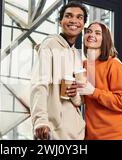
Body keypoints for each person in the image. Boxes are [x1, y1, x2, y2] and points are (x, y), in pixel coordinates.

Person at [30, 2, 88, 140]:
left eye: (79, 17)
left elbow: (80, 101)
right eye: (69, 16)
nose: (74, 20)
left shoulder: (77, 55)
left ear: (83, 24)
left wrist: (75, 94)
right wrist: (40, 120)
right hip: (52, 131)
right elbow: (39, 84)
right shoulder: (50, 44)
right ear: (60, 21)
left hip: (75, 133)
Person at [77, 22, 122, 140]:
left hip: (116, 136)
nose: (91, 35)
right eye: (89, 32)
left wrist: (94, 92)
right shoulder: (84, 65)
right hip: (91, 136)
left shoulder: (114, 65)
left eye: (97, 33)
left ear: (105, 40)